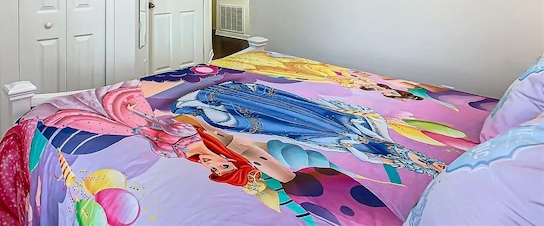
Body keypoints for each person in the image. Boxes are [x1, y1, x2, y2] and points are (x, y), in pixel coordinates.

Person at [172, 81, 447, 177]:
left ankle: (206, 105)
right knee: (280, 109)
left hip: (323, 132)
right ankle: (216, 98)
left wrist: (351, 140)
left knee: (272, 122)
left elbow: (369, 153)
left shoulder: (374, 151)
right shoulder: (378, 135)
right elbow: (368, 118)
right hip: (329, 120)